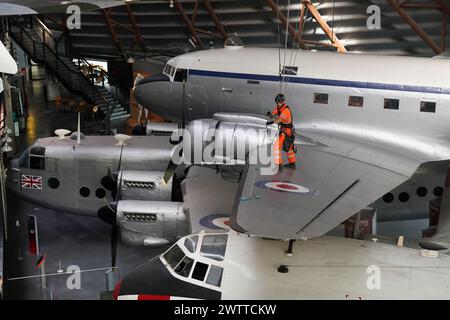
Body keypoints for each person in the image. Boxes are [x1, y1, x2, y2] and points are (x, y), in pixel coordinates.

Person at [267, 93, 296, 169]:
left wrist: (272, 122)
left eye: (278, 102)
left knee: (277, 146)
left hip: (286, 131)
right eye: (276, 102)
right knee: (288, 147)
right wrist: (271, 114)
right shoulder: (281, 107)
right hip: (286, 130)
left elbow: (280, 119)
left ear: (282, 101)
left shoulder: (285, 110)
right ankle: (292, 163)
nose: (277, 103)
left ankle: (278, 165)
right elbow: (276, 111)